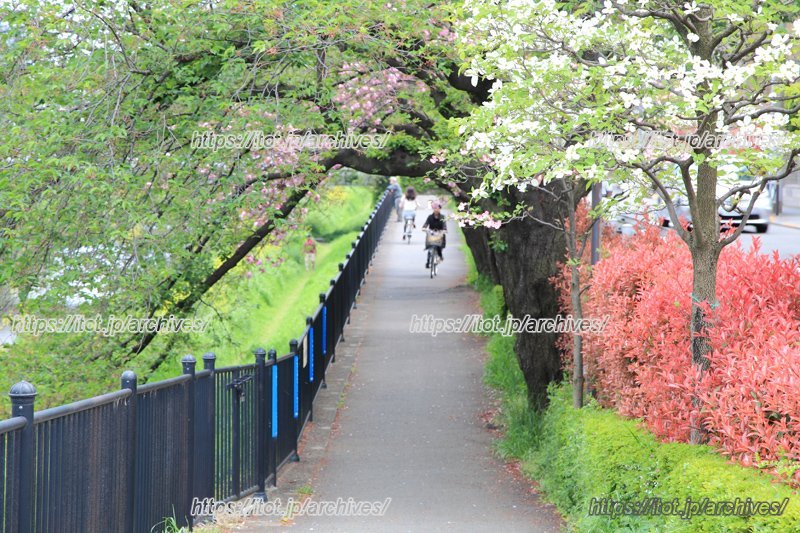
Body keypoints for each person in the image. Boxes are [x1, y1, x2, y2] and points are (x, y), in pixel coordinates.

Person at [422, 200, 446, 267]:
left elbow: (444, 225)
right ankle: (428, 262)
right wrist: (424, 228)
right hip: (431, 234)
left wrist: (444, 230)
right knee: (430, 247)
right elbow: (426, 224)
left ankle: (440, 256)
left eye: (437, 208)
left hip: (439, 234)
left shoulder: (442, 217)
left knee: (438, 246)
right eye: (435, 208)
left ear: (440, 208)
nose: (436, 209)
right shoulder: (430, 217)